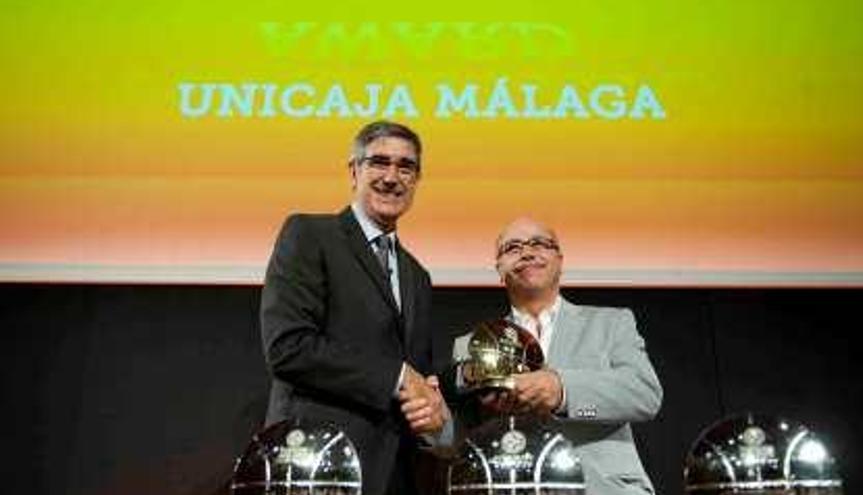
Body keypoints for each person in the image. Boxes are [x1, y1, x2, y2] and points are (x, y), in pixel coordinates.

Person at [260, 121, 450, 495]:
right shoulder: (310, 235)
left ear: (417, 180)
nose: (392, 177)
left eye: (405, 166)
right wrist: (396, 377)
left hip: (395, 473)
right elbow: (288, 347)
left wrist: (433, 407)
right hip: (317, 465)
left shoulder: (418, 276)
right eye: (379, 162)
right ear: (354, 171)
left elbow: (417, 375)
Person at [448, 217, 663, 495]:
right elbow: (460, 437)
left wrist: (562, 392)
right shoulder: (470, 346)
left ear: (560, 260)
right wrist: (433, 422)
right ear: (499, 270)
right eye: (512, 247)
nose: (527, 252)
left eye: (540, 243)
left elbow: (644, 395)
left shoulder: (611, 323)